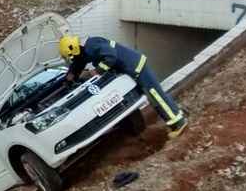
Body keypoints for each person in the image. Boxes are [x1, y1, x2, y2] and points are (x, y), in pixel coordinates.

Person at [59, 35, 188, 139]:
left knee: (156, 95)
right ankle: (174, 117)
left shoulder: (92, 44)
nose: (74, 58)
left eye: (73, 56)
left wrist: (96, 71)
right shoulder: (85, 49)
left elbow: (111, 56)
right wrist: (70, 76)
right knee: (153, 96)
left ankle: (178, 123)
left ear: (75, 49)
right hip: (131, 68)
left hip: (136, 66)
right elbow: (78, 62)